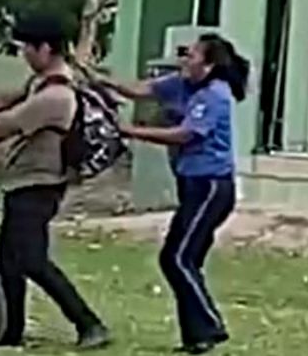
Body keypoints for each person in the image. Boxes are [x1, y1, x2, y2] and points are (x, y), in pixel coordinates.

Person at [0, 14, 110, 349]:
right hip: (24, 183)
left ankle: (89, 324)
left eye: (26, 49)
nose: (24, 56)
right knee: (8, 260)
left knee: (31, 259)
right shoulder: (40, 83)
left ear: (45, 49)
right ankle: (10, 331)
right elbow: (2, 99)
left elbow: (2, 126)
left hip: (41, 184)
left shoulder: (56, 96)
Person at [97, 32, 250, 355]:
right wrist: (92, 77)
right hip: (191, 183)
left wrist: (129, 131)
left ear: (208, 66)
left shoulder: (215, 94)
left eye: (191, 55)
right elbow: (137, 90)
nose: (184, 60)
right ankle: (197, 338)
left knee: (176, 258)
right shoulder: (181, 83)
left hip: (211, 187)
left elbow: (184, 135)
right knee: (187, 260)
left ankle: (210, 324)